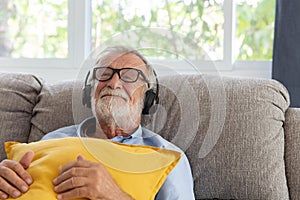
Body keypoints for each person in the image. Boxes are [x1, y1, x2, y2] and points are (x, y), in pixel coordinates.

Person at [0, 45, 195, 199]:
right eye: (104, 74)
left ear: (148, 99)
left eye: (129, 76)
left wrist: (113, 195)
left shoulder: (170, 157)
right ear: (89, 93)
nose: (114, 82)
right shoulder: (52, 140)